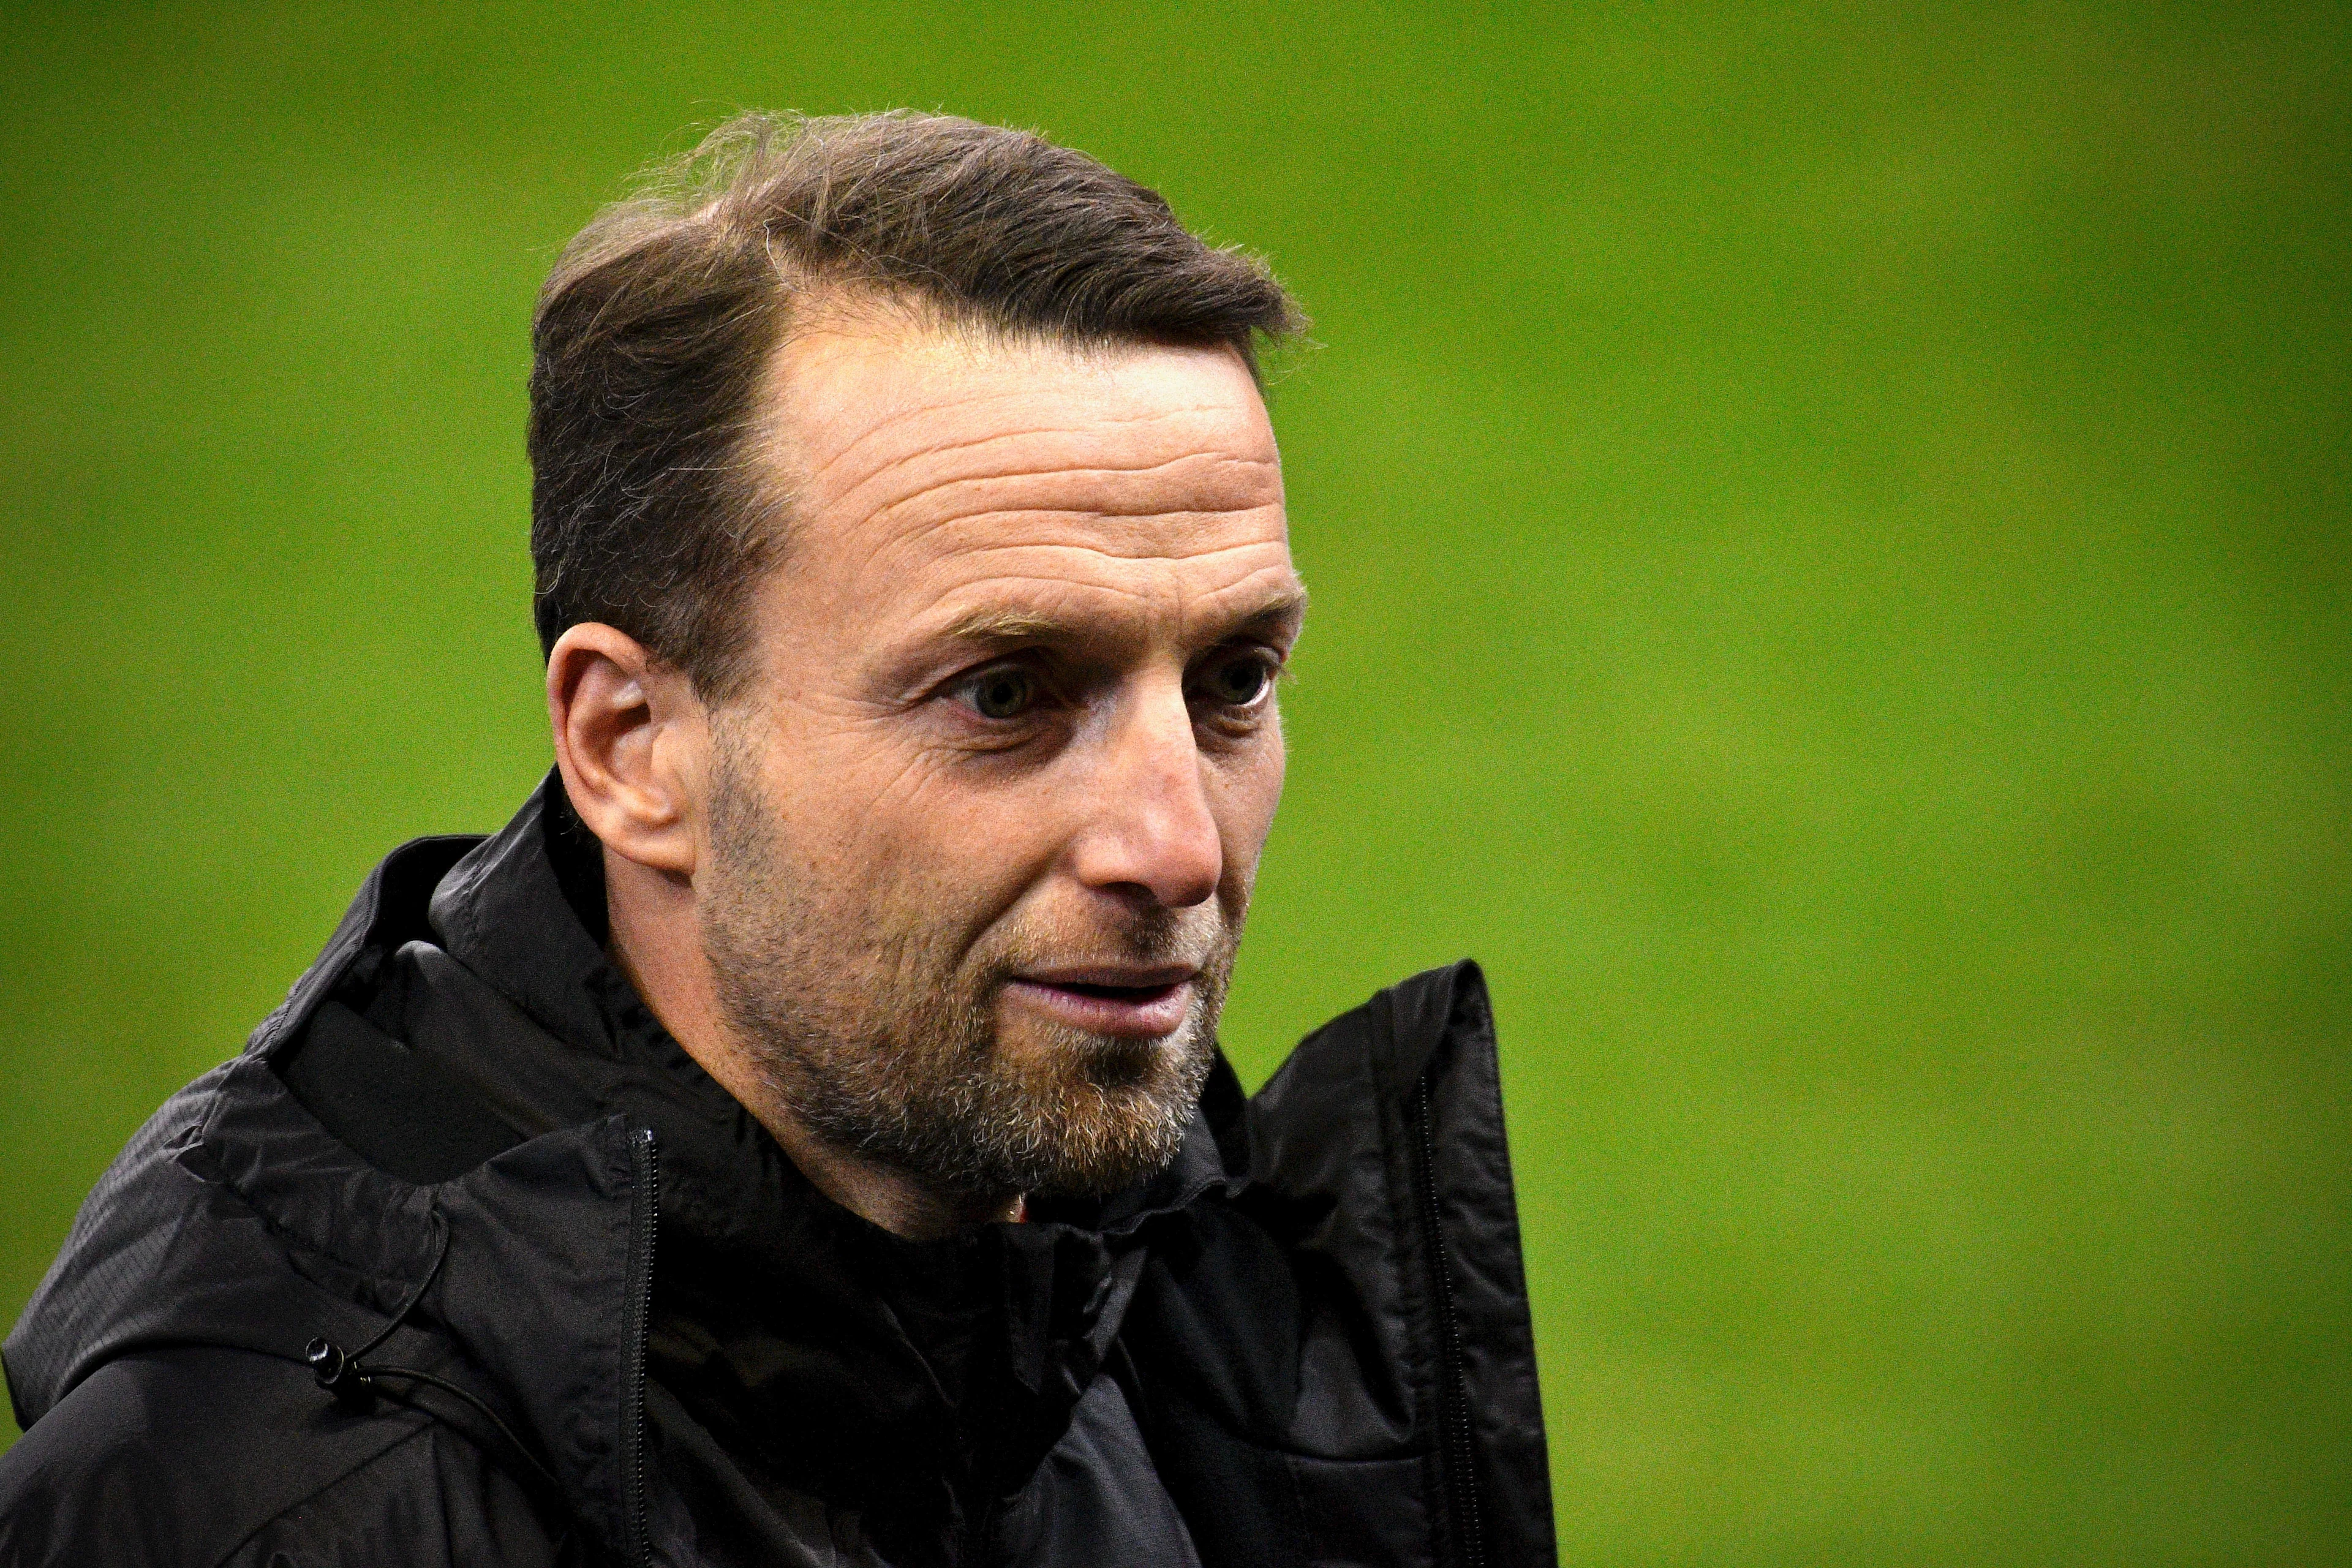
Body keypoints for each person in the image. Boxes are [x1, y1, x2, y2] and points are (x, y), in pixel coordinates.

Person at [0, 111, 1552, 1567]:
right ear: (633, 747)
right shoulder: (284, 1510)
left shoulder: (1175, 1291)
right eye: (1004, 692)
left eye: (1233, 681)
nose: (1177, 848)